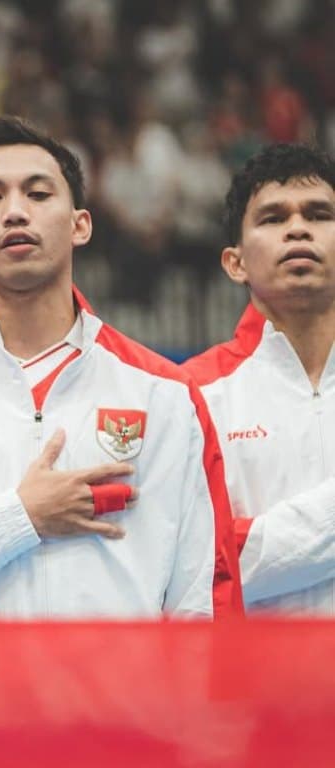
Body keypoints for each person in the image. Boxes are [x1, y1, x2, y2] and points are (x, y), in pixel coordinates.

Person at [0, 116, 243, 617]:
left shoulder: (165, 392)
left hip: (118, 695)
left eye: (38, 194)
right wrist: (19, 518)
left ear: (80, 224)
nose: (15, 212)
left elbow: (203, 589)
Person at [181, 143, 335, 613]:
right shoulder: (188, 394)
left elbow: (234, 552)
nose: (297, 229)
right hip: (248, 682)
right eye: (272, 219)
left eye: (318, 214)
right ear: (236, 262)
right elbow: (194, 564)